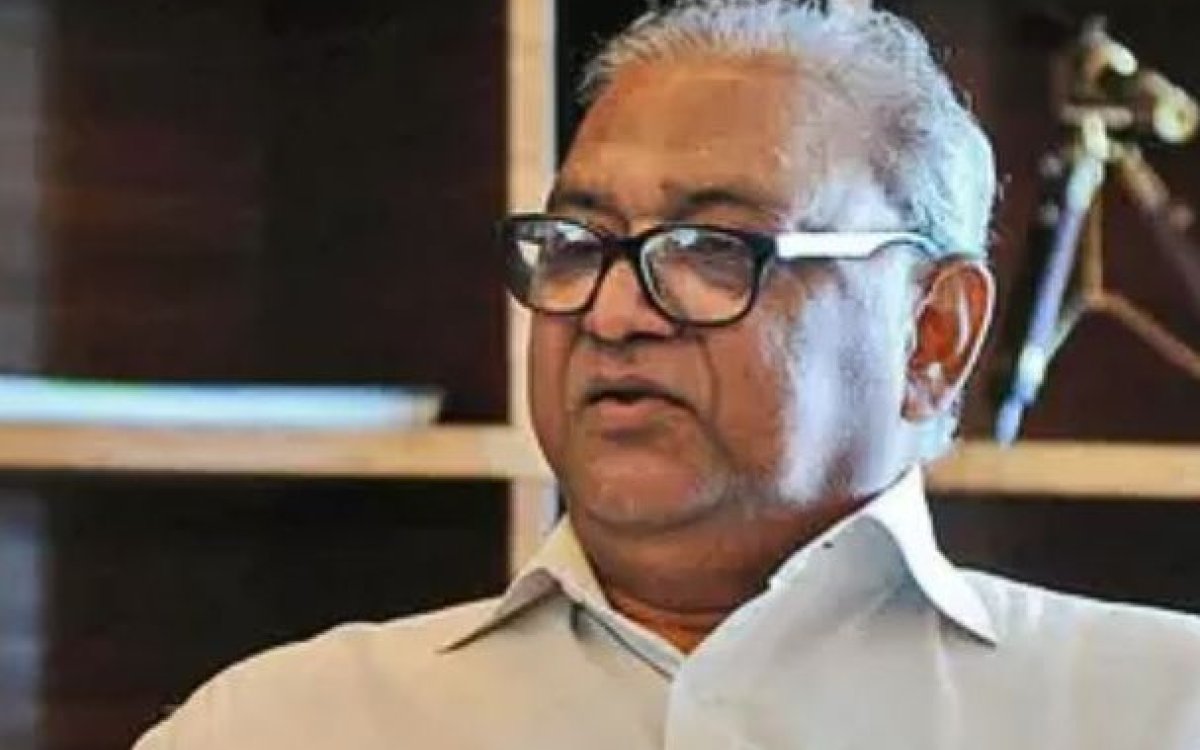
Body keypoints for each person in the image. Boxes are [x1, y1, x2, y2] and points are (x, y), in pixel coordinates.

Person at [134, 1, 1200, 748]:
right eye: (577, 243)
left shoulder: (1158, 711)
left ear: (932, 334)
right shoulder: (280, 725)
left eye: (711, 249)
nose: (611, 312)